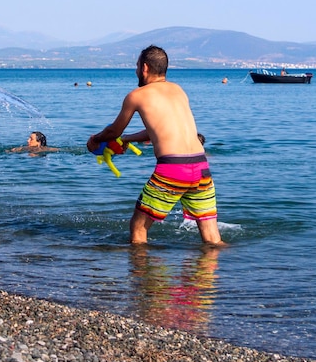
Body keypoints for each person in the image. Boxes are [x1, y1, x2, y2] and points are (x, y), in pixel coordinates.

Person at [86, 45, 223, 246]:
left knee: (138, 227)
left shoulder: (137, 95)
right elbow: (158, 130)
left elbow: (114, 131)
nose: (135, 71)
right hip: (201, 168)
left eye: (136, 66)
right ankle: (222, 273)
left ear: (144, 68)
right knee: (211, 235)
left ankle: (144, 277)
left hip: (173, 169)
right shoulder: (178, 90)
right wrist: (126, 140)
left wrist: (95, 140)